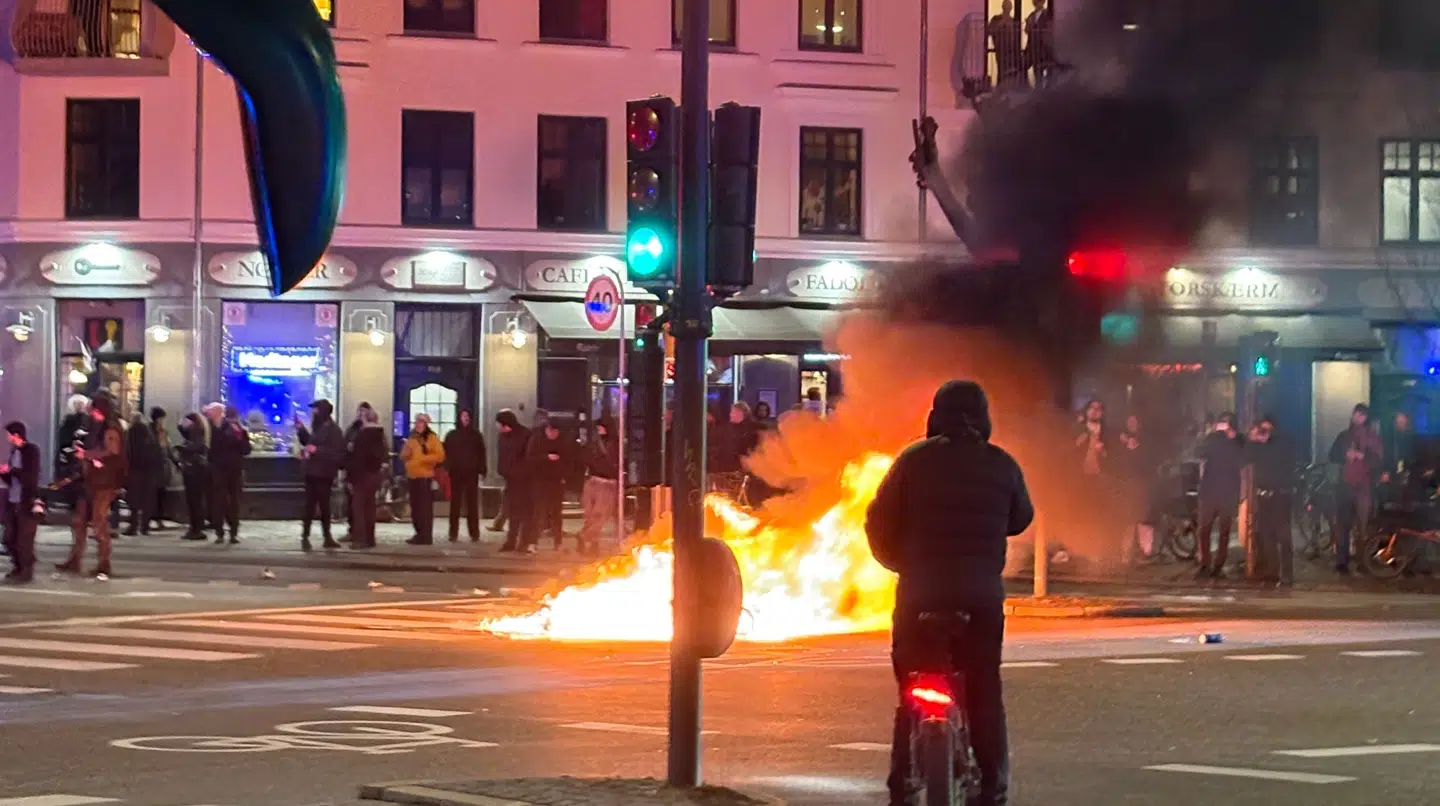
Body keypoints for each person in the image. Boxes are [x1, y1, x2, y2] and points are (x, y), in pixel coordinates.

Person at [864, 380, 1033, 806]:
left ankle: (902, 783)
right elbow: (1021, 518)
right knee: (983, 689)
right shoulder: (1002, 464)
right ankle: (993, 787)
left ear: (935, 415)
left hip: (920, 593)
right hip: (980, 596)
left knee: (911, 688)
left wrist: (900, 565)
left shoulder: (912, 461)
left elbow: (878, 520)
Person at [59, 391, 126, 578]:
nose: (91, 413)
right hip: (89, 480)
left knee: (98, 522)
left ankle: (104, 564)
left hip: (103, 482)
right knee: (79, 521)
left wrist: (87, 455)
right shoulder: (96, 426)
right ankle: (75, 559)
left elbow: (112, 451)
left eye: (93, 409)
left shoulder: (110, 428)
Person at [1329, 403, 1383, 574]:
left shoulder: (1372, 437)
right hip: (1345, 485)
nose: (1358, 418)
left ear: (1366, 418)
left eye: (1362, 415)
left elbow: (1378, 460)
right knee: (1343, 524)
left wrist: (1363, 456)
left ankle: (1363, 561)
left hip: (1364, 487)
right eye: (1356, 414)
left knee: (1363, 526)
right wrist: (1345, 455)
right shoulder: (1344, 436)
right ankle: (1342, 561)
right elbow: (1332, 455)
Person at [1246, 415, 1295, 587]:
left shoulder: (1283, 442)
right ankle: (1271, 571)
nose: (1264, 432)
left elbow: (1287, 458)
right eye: (1262, 428)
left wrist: (1268, 438)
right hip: (1264, 496)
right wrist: (1252, 440)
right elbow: (1246, 458)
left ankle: (1287, 573)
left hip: (1281, 495)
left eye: (1267, 429)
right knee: (1266, 535)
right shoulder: (1259, 445)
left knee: (1283, 535)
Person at [1195, 411, 1244, 579]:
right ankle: (1205, 564)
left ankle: (1218, 565)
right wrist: (1209, 433)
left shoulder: (1238, 440)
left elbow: (1242, 458)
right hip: (1209, 490)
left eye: (1227, 422)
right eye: (1222, 422)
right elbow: (1200, 452)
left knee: (1224, 531)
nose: (1224, 426)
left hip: (1228, 492)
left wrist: (1232, 437)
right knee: (1204, 530)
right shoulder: (1212, 439)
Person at [295, 399, 346, 551]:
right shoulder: (318, 427)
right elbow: (309, 442)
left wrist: (317, 450)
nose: (313, 413)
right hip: (312, 472)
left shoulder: (334, 430)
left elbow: (336, 453)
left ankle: (326, 536)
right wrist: (301, 430)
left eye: (316, 409)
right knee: (309, 506)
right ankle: (305, 536)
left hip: (324, 473)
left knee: (324, 506)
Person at [1, 421, 42, 583]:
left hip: (26, 501)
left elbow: (30, 477)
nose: (7, 437)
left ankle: (26, 571)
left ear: (16, 435)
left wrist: (13, 471)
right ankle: (17, 565)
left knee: (24, 540)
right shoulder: (14, 452)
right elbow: (12, 480)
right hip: (13, 500)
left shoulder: (31, 451)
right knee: (9, 538)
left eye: (9, 434)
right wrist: (4, 473)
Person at [400, 414, 446, 545]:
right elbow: (404, 456)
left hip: (425, 477)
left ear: (426, 424)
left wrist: (423, 459)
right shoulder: (412, 438)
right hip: (412, 476)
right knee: (415, 508)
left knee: (424, 509)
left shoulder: (432, 438)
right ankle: (419, 534)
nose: (418, 424)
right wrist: (407, 450)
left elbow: (440, 456)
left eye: (421, 422)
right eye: (417, 422)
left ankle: (426, 536)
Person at [347, 407, 389, 549]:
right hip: (375, 475)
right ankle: (370, 538)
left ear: (365, 419)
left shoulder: (362, 436)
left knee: (358, 507)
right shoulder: (380, 435)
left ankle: (360, 539)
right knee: (370, 507)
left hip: (362, 476)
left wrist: (350, 478)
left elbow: (357, 460)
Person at [208, 405, 251, 544]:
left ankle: (221, 533)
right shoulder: (239, 430)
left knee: (221, 501)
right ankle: (232, 532)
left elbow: (212, 450)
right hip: (233, 470)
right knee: (233, 502)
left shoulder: (219, 429)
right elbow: (246, 450)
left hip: (221, 470)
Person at [443, 409, 487, 543]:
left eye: (467, 416)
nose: (465, 418)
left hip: (471, 472)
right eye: (463, 416)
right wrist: (447, 468)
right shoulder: (452, 435)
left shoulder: (476, 435)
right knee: (455, 504)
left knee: (472, 504)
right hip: (456, 472)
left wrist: (482, 469)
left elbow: (481, 453)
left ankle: (474, 533)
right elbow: (446, 453)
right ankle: (453, 533)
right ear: (459, 417)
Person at [578, 416, 620, 555]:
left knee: (599, 515)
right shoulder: (598, 443)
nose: (599, 429)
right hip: (596, 480)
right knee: (592, 516)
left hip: (604, 482)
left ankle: (586, 538)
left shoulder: (612, 444)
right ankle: (592, 543)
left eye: (601, 427)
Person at [527, 418, 571, 551]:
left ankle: (558, 542)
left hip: (557, 481)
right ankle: (533, 542)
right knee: (538, 512)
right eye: (551, 431)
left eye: (556, 432)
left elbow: (569, 460)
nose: (553, 434)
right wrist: (546, 458)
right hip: (540, 481)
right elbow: (530, 458)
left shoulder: (563, 441)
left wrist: (564, 475)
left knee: (556, 513)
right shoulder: (537, 439)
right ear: (547, 429)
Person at [495, 410, 535, 552]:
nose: (498, 427)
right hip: (510, 479)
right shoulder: (502, 437)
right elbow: (501, 455)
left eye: (499, 424)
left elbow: (529, 457)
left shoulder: (526, 434)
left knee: (525, 513)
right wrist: (502, 470)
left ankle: (524, 542)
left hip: (525, 480)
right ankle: (511, 541)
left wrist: (522, 472)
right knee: (512, 512)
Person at [122, 411, 163, 536]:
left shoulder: (132, 432)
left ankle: (134, 526)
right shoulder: (150, 434)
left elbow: (128, 451)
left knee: (134, 500)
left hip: (136, 469)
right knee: (147, 500)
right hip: (150, 471)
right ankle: (145, 527)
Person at [175, 412, 210, 541]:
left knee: (194, 500)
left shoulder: (197, 431)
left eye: (188, 421)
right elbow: (185, 433)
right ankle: (196, 528)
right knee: (195, 500)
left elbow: (195, 446)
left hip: (194, 469)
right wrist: (180, 425)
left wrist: (181, 448)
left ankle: (196, 529)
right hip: (194, 468)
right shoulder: (196, 430)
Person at [341, 401, 373, 542]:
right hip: (351, 469)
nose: (361, 414)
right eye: (360, 411)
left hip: (365, 472)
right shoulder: (352, 428)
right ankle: (352, 530)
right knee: (351, 503)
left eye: (364, 412)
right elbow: (344, 446)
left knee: (361, 505)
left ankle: (363, 533)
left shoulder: (371, 430)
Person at [149, 406, 173, 530]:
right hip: (153, 466)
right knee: (152, 494)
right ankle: (150, 518)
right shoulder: (149, 430)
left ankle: (159, 518)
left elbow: (167, 448)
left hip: (162, 466)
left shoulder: (163, 432)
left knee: (161, 493)